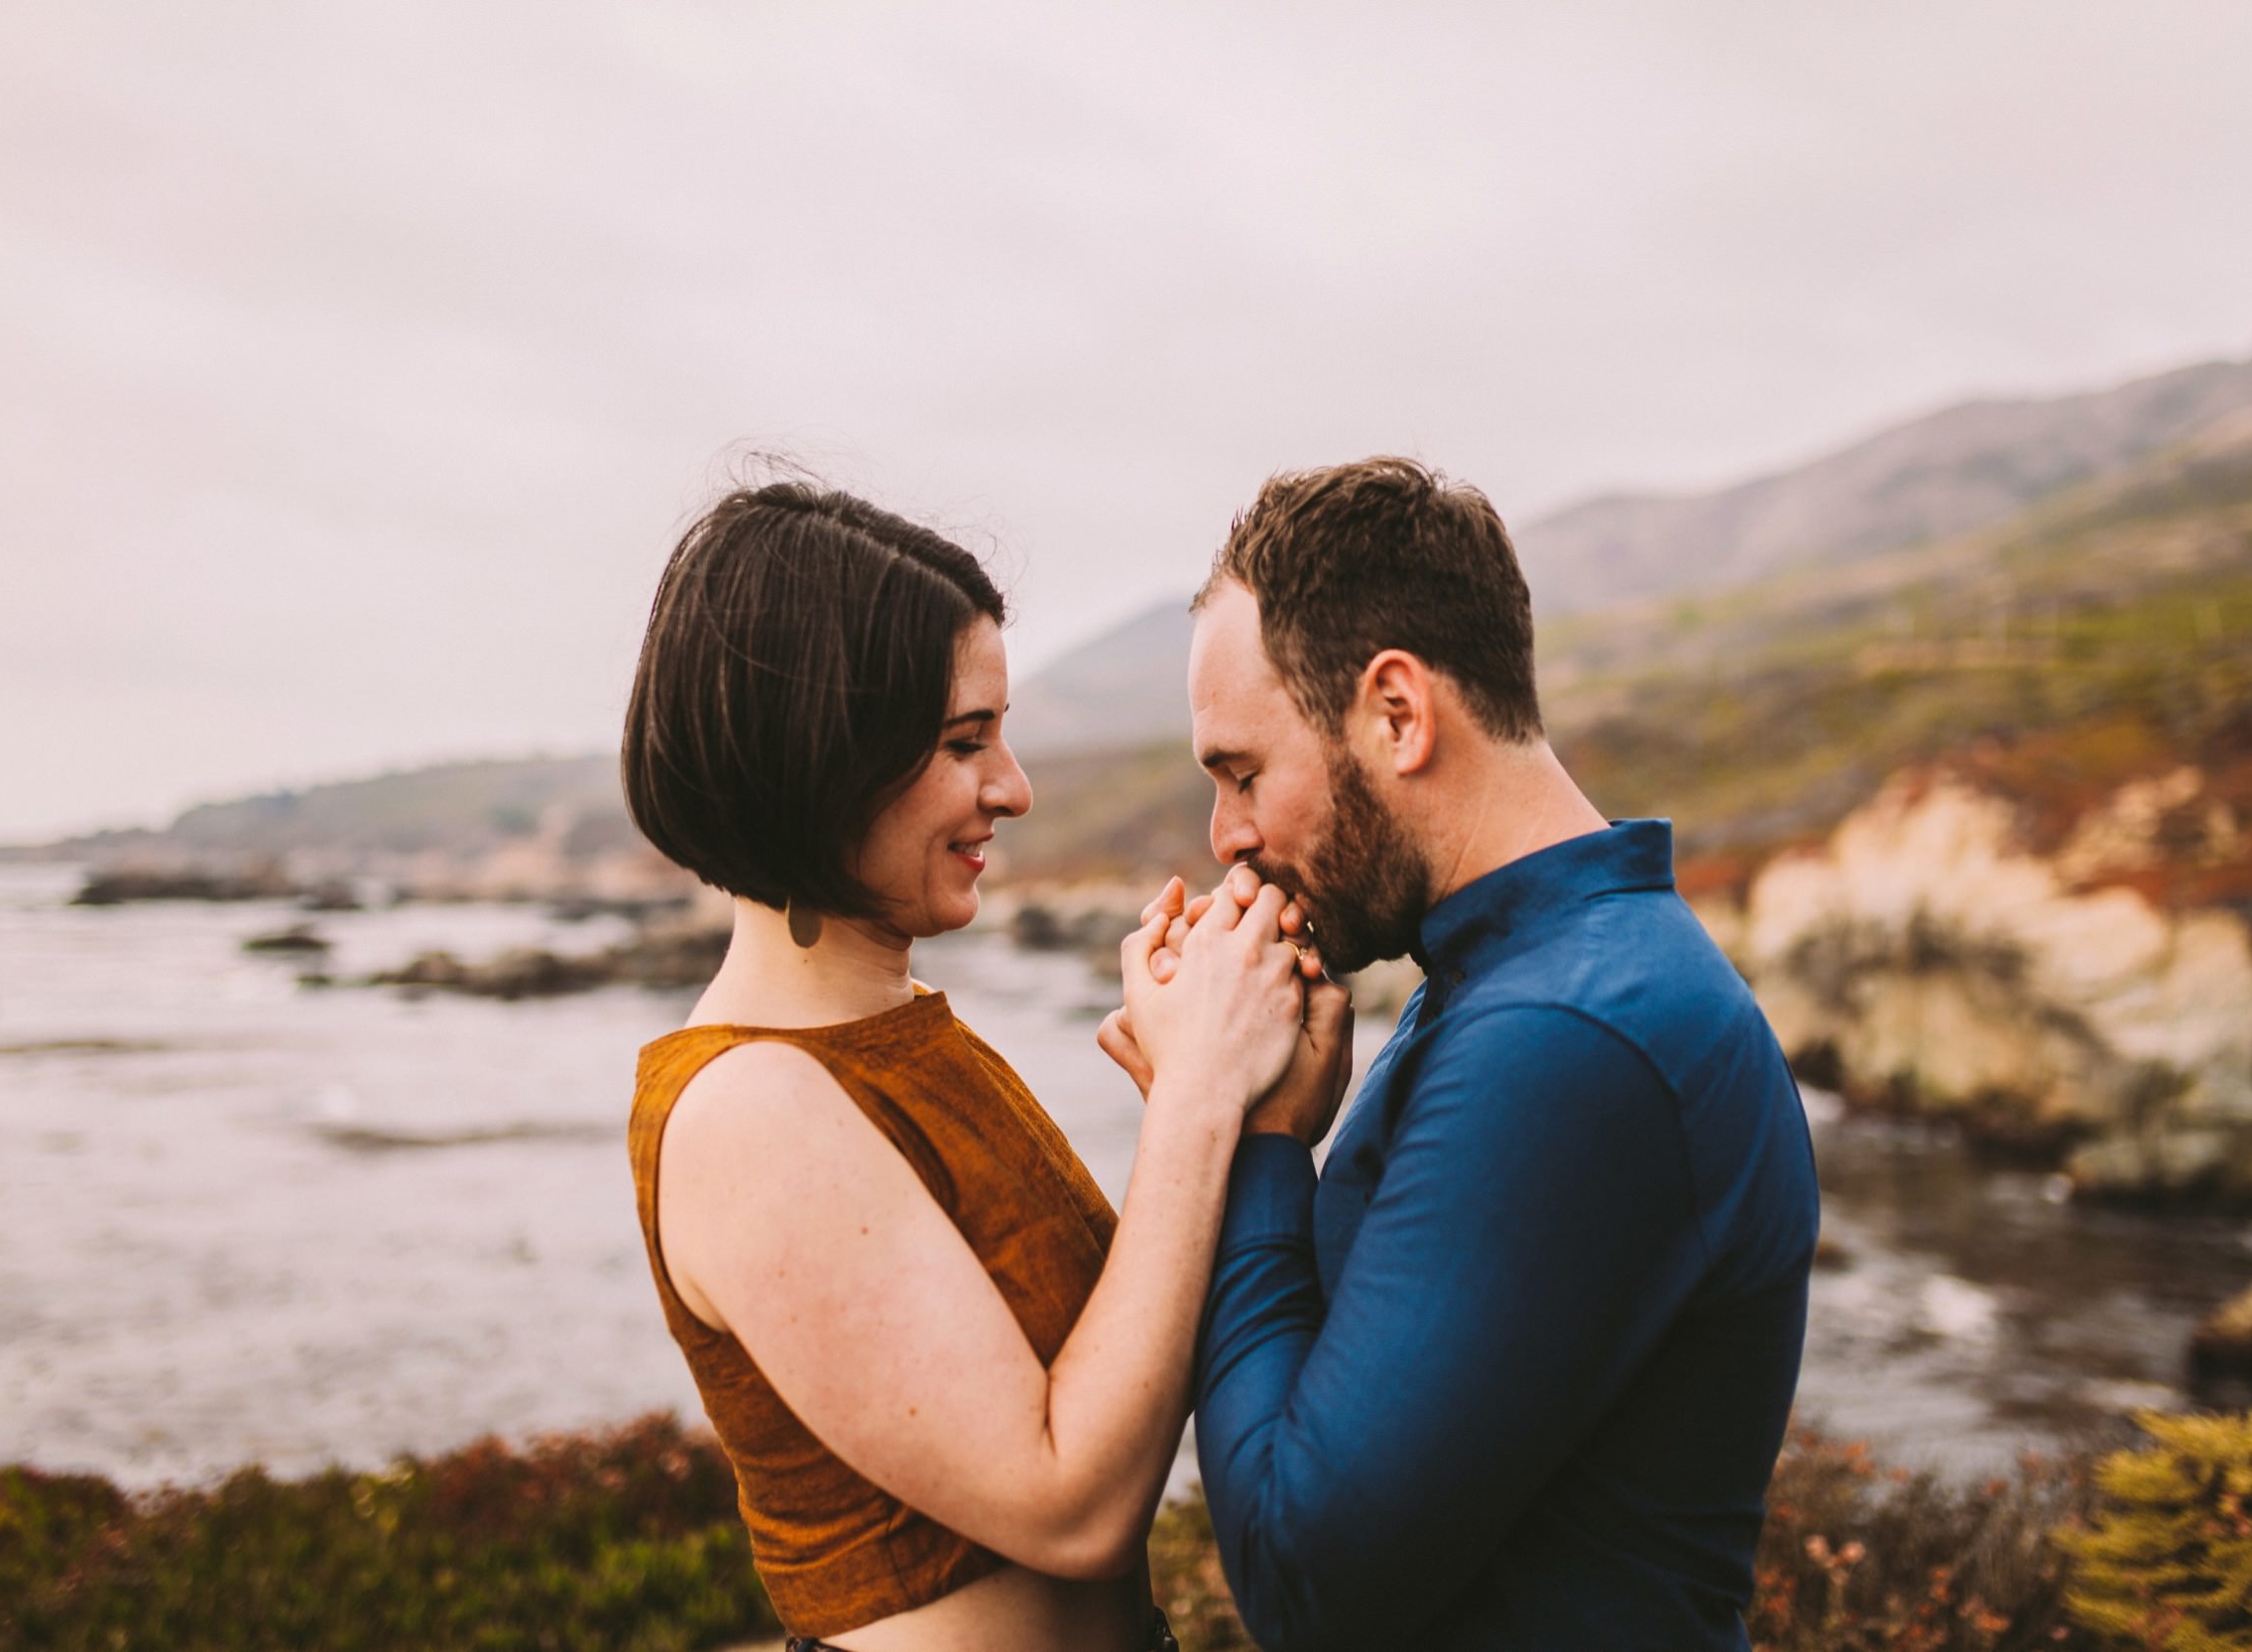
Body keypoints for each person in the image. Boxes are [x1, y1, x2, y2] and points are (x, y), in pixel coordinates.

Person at [1107, 457, 1822, 1651]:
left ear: (1397, 713)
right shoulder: (1511, 977)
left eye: (1242, 774)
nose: (1227, 839)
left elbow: (1304, 1577)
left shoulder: (1566, 1036)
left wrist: (1253, 1139)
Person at [618, 479, 1321, 1652]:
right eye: (963, 742)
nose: (1014, 787)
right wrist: (1198, 1092)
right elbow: (1069, 1502)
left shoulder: (906, 1029)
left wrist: (1253, 1110)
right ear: (821, 758)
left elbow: (1116, 1380)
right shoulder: (749, 1105)